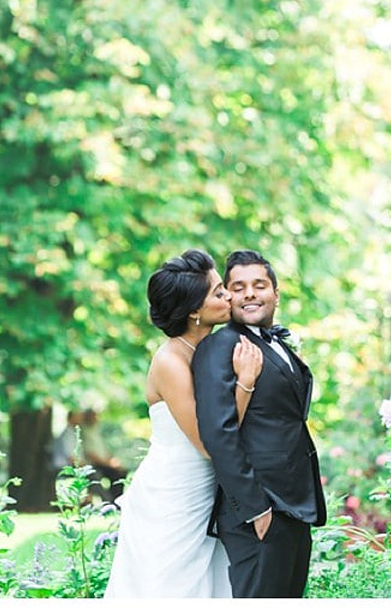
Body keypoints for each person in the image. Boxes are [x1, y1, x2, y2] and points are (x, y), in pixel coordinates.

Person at [104, 249, 263, 598]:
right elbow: (208, 443)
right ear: (194, 311)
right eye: (219, 292)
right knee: (172, 587)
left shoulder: (211, 349)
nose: (229, 297)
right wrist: (245, 384)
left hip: (207, 492)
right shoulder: (171, 362)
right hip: (174, 495)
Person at [192, 249, 327, 598]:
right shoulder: (218, 347)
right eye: (238, 287)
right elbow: (218, 433)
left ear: (276, 294)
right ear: (227, 297)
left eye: (259, 285)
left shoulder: (273, 342)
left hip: (295, 506)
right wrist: (256, 510)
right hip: (260, 509)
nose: (250, 293)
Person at [79, 408, 127, 502]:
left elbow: (104, 450)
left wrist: (111, 461)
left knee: (121, 472)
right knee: (113, 473)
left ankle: (117, 500)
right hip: (94, 464)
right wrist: (108, 463)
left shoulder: (96, 431)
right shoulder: (84, 432)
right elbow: (90, 454)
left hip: (103, 462)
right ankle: (110, 501)